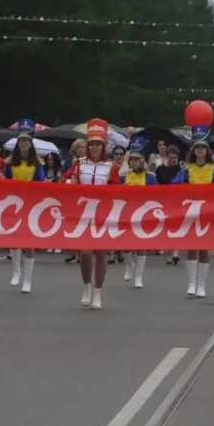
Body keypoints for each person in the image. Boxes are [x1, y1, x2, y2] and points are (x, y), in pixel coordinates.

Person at [66, 119, 118, 309]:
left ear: (103, 146)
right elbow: (67, 183)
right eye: (92, 144)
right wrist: (71, 182)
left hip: (103, 214)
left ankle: (98, 292)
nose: (95, 147)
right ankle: (86, 286)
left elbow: (117, 191)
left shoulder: (112, 166)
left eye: (98, 144)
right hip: (83, 214)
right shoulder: (79, 164)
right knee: (85, 252)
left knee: (101, 253)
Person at [173, 136, 214, 298]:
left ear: (207, 151)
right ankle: (191, 282)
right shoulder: (187, 168)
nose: (200, 150)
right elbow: (174, 184)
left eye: (202, 148)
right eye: (197, 147)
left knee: (204, 248)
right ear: (193, 151)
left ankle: (201, 285)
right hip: (190, 211)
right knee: (191, 246)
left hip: (207, 211)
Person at [3, 129, 47, 293]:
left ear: (31, 144)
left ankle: (27, 280)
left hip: (30, 205)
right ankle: (16, 272)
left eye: (26, 141)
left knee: (29, 243)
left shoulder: (38, 164)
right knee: (14, 240)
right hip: (13, 204)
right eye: (20, 141)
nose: (23, 144)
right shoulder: (9, 163)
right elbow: (4, 182)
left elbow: (41, 183)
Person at [118, 143, 157, 288]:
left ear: (142, 161)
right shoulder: (124, 176)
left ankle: (139, 277)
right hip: (127, 213)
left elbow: (157, 195)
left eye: (137, 159)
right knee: (126, 244)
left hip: (144, 214)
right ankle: (129, 265)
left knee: (141, 245)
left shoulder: (150, 177)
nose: (134, 162)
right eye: (132, 159)